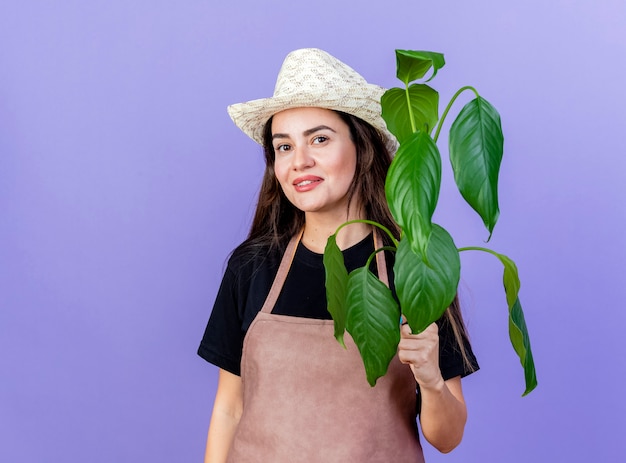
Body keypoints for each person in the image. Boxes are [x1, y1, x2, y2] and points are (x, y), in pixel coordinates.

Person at [198, 48, 479, 462]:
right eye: (284, 147)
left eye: (320, 139)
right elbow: (229, 407)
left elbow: (447, 438)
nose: (300, 161)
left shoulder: (417, 268)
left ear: (362, 147)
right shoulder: (252, 266)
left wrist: (432, 380)